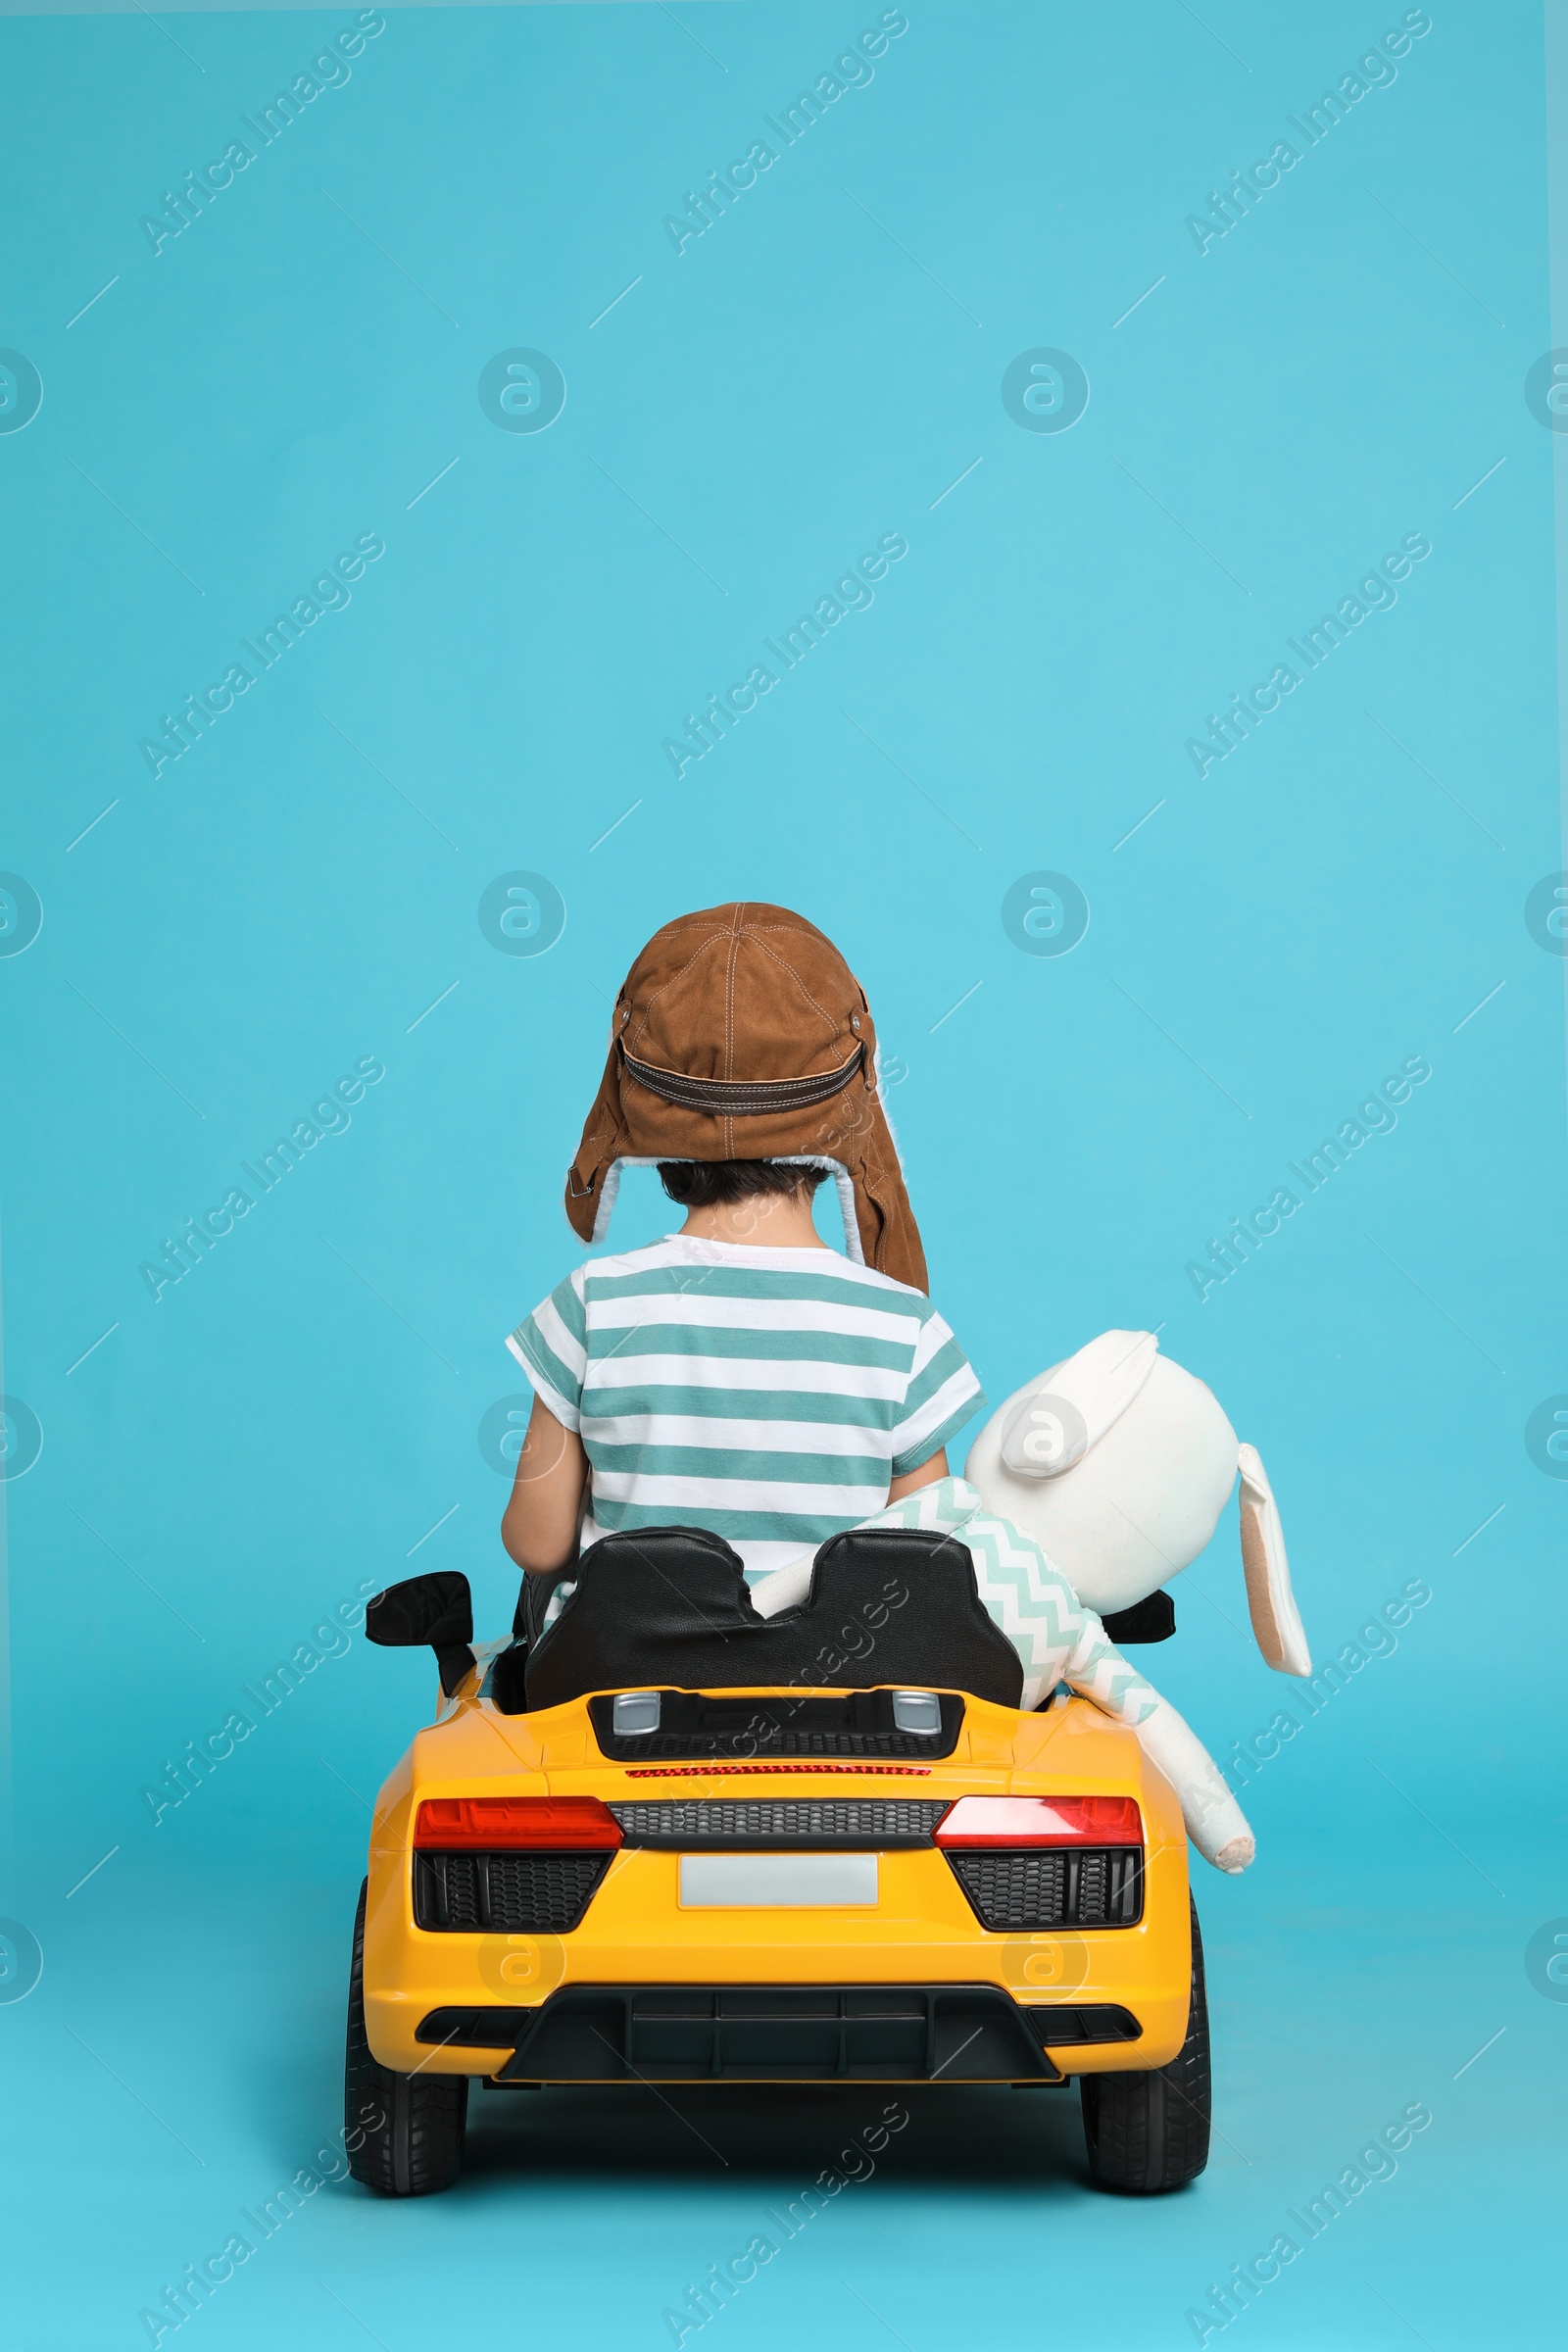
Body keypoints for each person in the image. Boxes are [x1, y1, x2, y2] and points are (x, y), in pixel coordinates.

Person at [500, 902, 985, 1585]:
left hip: (621, 1683)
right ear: (850, 1105)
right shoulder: (903, 1328)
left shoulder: (592, 1307)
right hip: (835, 1687)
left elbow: (537, 1543)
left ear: (642, 1114)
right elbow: (920, 1560)